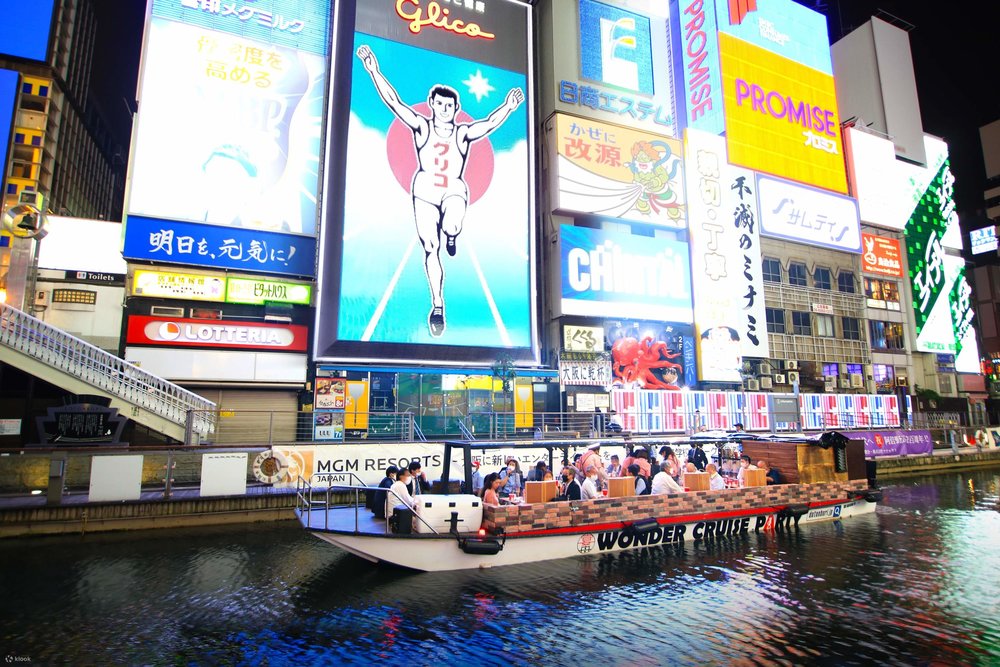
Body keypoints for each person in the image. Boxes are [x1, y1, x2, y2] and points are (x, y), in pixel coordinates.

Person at [356, 44, 524, 337]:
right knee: (431, 248)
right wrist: (373, 70)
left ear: (456, 109)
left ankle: (452, 234)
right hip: (424, 191)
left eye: (450, 106)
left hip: (453, 190)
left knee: (453, 224)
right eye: (440, 104)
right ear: (432, 104)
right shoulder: (422, 127)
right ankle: (437, 305)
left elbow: (487, 125)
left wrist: (508, 107)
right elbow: (395, 102)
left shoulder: (462, 132)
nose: (445, 109)